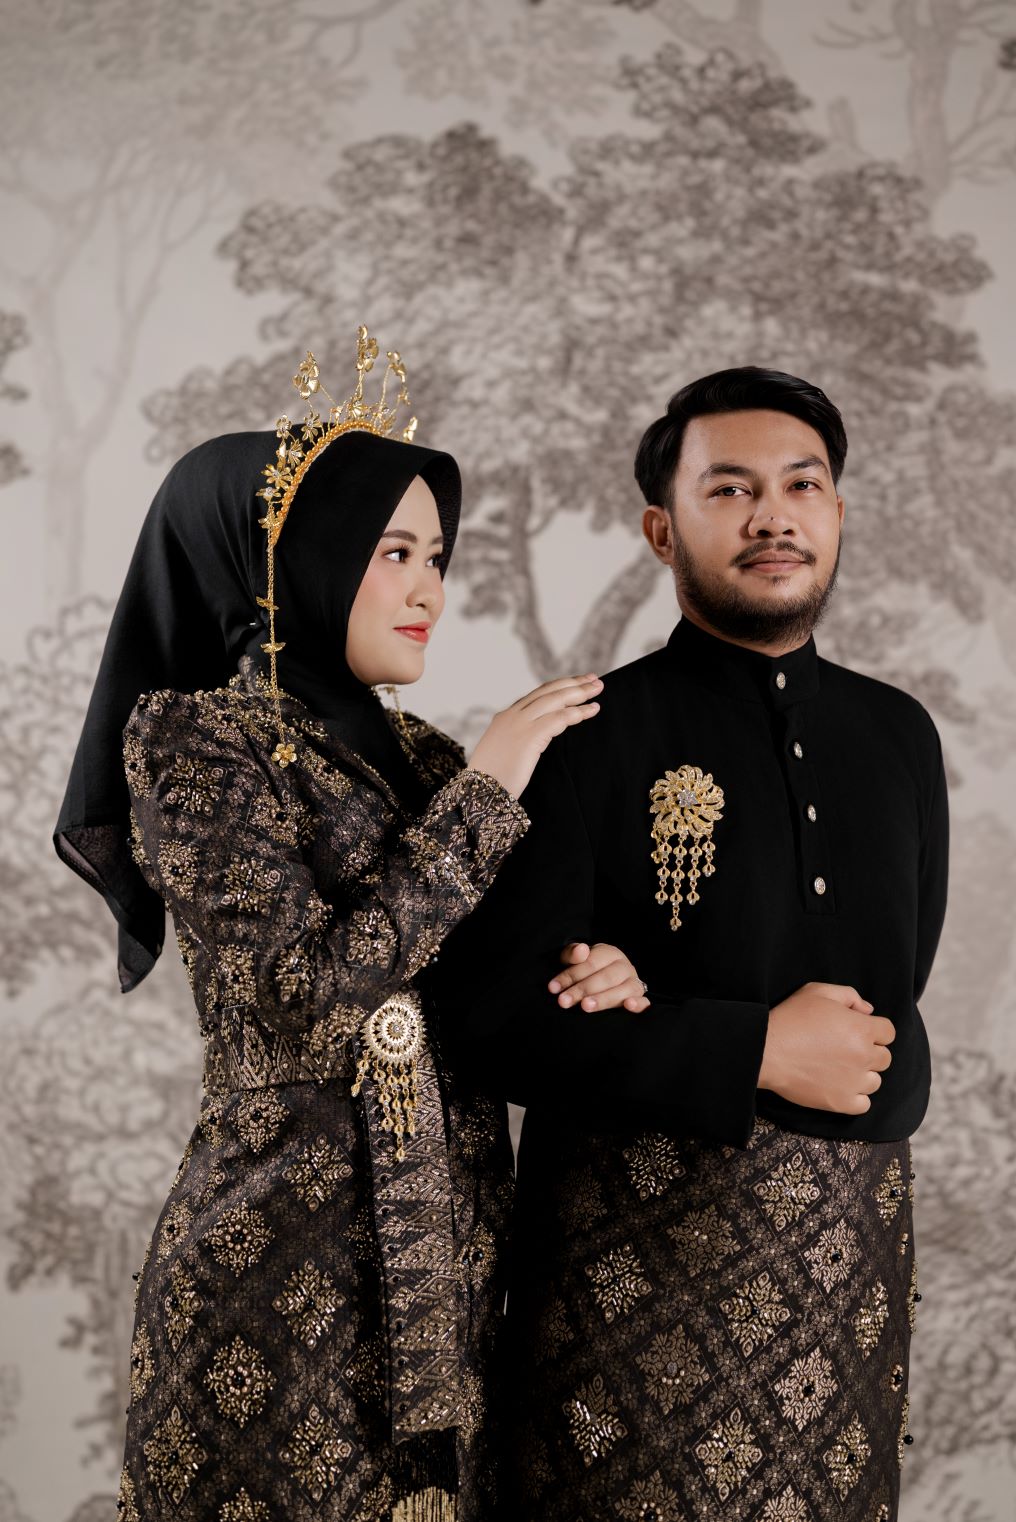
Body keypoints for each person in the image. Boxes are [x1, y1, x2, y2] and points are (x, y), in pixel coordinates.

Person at [53, 334, 647, 1522]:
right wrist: (489, 794)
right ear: (297, 560)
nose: (431, 590)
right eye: (393, 553)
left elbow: (488, 993)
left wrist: (596, 969)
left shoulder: (431, 760)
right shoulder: (192, 738)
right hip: (275, 1290)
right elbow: (304, 999)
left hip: (450, 1298)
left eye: (437, 556)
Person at [434, 367, 948, 1522]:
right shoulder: (586, 733)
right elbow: (493, 1022)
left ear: (836, 512)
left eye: (800, 486)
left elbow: (890, 1001)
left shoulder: (896, 735)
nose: (773, 516)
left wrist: (683, 1018)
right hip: (631, 1313)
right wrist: (751, 1047)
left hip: (841, 1298)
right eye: (729, 489)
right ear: (661, 529)